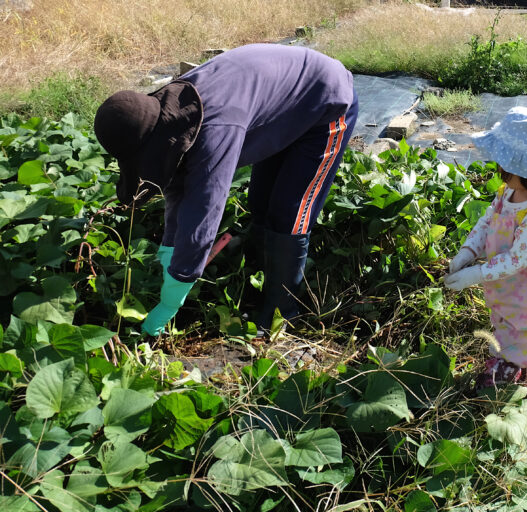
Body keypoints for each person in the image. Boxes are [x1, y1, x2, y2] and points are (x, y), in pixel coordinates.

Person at [94, 44, 358, 336]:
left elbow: (205, 207)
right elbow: (177, 182)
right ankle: (257, 285)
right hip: (282, 106)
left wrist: (176, 288)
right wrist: (170, 247)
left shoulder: (215, 127)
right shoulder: (171, 113)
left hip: (326, 102)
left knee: (289, 214)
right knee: (260, 202)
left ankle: (282, 313)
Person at [444, 107, 527, 400]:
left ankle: (501, 383)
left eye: (505, 165)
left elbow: (517, 259)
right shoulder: (509, 192)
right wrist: (468, 252)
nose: (500, 170)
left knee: (523, 331)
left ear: (526, 170)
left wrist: (475, 273)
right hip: (510, 284)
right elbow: (488, 219)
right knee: (506, 322)